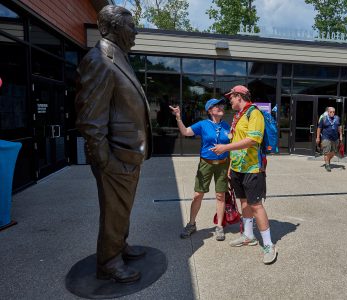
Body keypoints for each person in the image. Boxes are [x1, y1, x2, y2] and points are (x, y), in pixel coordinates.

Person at [75, 5, 152, 283]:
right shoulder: (100, 59)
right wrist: (105, 160)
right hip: (115, 157)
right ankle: (109, 261)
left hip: (128, 154)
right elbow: (90, 118)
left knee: (122, 208)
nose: (136, 32)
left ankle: (119, 245)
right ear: (113, 29)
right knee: (113, 209)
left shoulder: (119, 57)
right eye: (131, 27)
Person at [210, 85, 278, 265]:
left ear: (239, 96)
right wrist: (231, 167)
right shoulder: (238, 116)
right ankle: (248, 236)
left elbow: (252, 140)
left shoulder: (253, 113)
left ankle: (269, 245)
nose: (229, 100)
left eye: (231, 97)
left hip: (252, 168)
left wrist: (225, 148)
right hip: (238, 168)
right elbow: (236, 139)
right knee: (244, 202)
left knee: (256, 205)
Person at [169, 98, 231, 241]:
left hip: (223, 164)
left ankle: (220, 226)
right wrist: (178, 117)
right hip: (206, 164)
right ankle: (191, 224)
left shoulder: (227, 126)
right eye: (216, 106)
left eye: (221, 105)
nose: (220, 107)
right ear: (210, 110)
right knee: (198, 194)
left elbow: (232, 146)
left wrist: (230, 167)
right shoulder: (203, 125)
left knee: (221, 195)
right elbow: (185, 132)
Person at [316, 107, 342, 172]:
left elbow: (339, 127)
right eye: (331, 112)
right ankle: (327, 165)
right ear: (328, 112)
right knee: (326, 152)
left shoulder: (337, 118)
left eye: (333, 112)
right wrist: (318, 137)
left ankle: (327, 160)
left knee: (334, 152)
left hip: (335, 138)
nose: (332, 113)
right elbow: (319, 128)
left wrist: (341, 135)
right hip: (326, 138)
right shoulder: (324, 119)